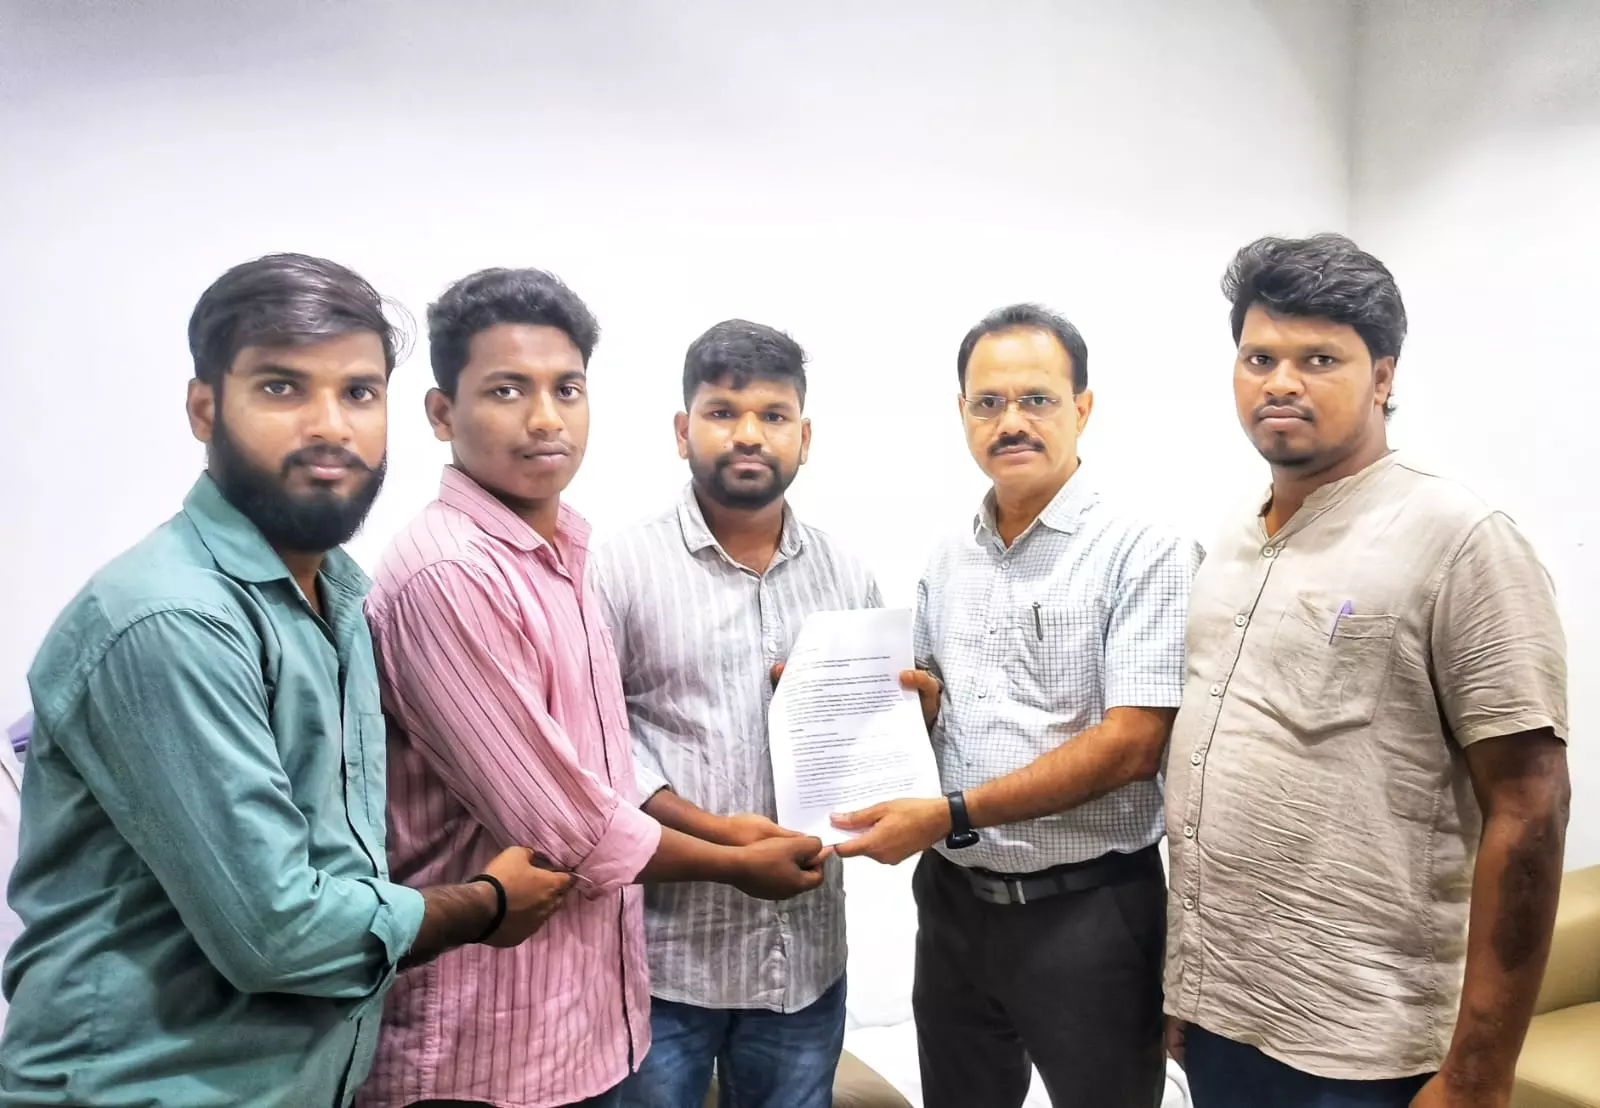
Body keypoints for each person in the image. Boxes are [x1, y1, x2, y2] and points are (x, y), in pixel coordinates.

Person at [0, 255, 570, 1108]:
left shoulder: (338, 597)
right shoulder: (171, 618)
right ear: (204, 408)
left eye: (359, 392)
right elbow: (277, 931)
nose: (331, 426)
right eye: (280, 387)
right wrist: (484, 904)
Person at [357, 271, 830, 1108]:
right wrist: (731, 859)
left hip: (582, 1016)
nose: (546, 418)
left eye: (566, 389)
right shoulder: (451, 574)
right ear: (441, 413)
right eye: (507, 390)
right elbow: (570, 826)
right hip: (480, 1043)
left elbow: (600, 769)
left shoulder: (560, 554)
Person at [1163, 234, 1570, 1107]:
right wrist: (1186, 988)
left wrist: (1478, 1073)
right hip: (1223, 1018)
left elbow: (1531, 805)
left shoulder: (1459, 539)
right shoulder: (1234, 537)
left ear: (1382, 377)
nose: (1281, 382)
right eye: (1259, 358)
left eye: (1319, 359)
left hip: (1365, 1050)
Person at [833, 304, 1201, 1106]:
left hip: (1090, 913)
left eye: (1037, 399)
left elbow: (1132, 743)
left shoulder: (1146, 550)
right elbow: (940, 711)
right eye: (989, 403)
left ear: (1083, 408)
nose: (1011, 422)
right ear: (962, 413)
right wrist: (872, 705)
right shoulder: (949, 555)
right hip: (955, 903)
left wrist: (951, 811)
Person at [591, 321, 880, 1108]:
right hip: (663, 960)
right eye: (722, 411)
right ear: (682, 431)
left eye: (773, 414)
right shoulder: (617, 569)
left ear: (804, 437)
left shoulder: (849, 577)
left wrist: (907, 720)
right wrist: (720, 837)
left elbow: (867, 750)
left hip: (804, 962)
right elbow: (599, 748)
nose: (749, 433)